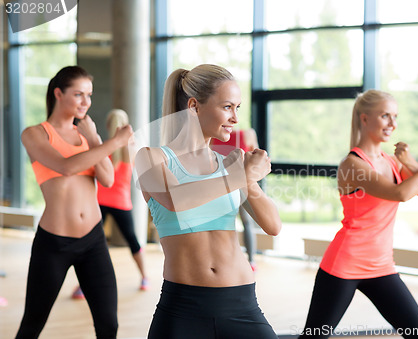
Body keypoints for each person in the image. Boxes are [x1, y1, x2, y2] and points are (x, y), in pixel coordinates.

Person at [134, 64, 282, 339]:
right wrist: (240, 176)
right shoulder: (151, 158)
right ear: (194, 106)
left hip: (242, 304)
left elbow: (273, 225)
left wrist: (248, 180)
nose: (235, 118)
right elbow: (177, 200)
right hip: (183, 308)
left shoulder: (229, 164)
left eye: (237, 107)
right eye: (228, 107)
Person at [298, 89, 418, 339]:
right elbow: (400, 193)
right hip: (344, 263)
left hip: (381, 265)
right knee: (315, 336)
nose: (393, 124)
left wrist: (410, 163)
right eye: (385, 116)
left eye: (395, 116)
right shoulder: (353, 164)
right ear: (365, 118)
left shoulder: (392, 161)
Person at [17, 66, 133, 339]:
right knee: (32, 324)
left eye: (89, 95)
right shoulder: (35, 134)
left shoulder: (87, 137)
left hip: (93, 241)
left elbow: (106, 179)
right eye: (78, 94)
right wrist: (115, 142)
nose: (86, 102)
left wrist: (95, 139)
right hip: (55, 243)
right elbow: (65, 167)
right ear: (58, 93)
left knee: (108, 325)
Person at [72, 109, 149, 300]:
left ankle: (82, 286)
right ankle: (145, 277)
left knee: (90, 243)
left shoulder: (103, 147)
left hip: (101, 201)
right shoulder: (132, 149)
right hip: (121, 202)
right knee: (132, 241)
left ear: (108, 126)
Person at [211, 128, 259, 270]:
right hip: (236, 183)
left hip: (224, 184)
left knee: (226, 223)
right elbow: (257, 158)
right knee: (245, 222)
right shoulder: (248, 134)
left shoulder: (214, 135)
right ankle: (250, 261)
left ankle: (242, 260)